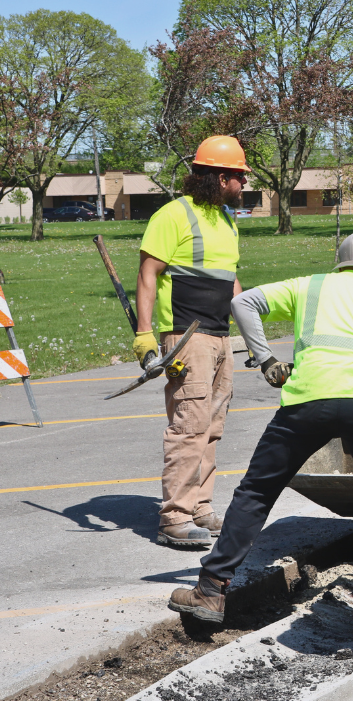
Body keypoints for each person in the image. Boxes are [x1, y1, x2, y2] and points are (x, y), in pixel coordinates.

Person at [168, 230, 353, 636]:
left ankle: (211, 589)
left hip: (306, 402)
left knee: (257, 491)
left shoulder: (311, 286)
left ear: (339, 265)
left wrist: (266, 356)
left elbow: (242, 301)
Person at [134, 135, 248, 548]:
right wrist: (145, 336)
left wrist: (253, 338)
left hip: (219, 337)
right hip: (186, 337)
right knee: (189, 427)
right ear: (220, 178)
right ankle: (174, 519)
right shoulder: (172, 215)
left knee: (212, 427)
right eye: (239, 177)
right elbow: (149, 274)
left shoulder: (227, 220)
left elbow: (230, 280)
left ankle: (199, 507)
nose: (243, 184)